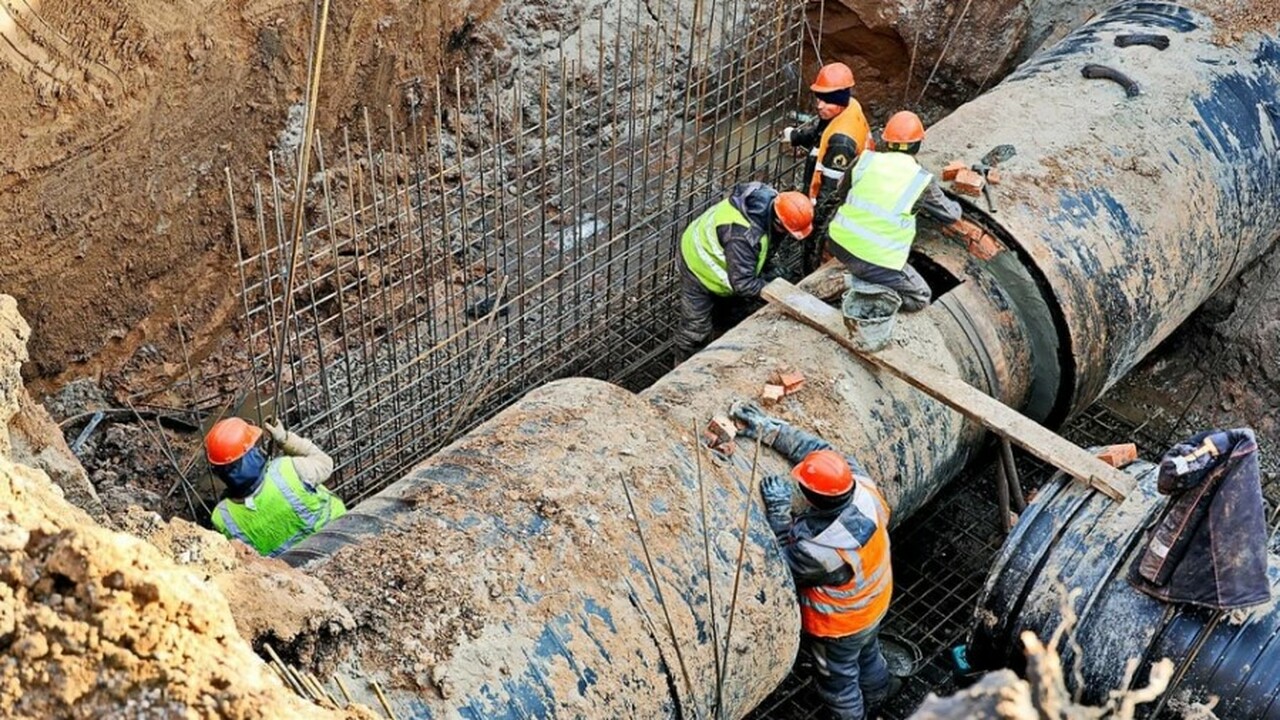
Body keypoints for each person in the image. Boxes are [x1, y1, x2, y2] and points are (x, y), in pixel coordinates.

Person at [731, 400, 899, 720]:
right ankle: (881, 692)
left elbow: (783, 567)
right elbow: (820, 450)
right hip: (875, 601)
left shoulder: (825, 550)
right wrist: (772, 431)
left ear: (810, 498)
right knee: (867, 655)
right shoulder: (863, 488)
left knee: (838, 680)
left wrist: (779, 514)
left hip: (841, 625)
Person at [826, 110, 963, 312]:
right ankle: (856, 286)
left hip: (837, 243)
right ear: (917, 145)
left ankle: (858, 275)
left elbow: (842, 192)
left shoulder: (864, 161)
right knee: (920, 296)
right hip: (871, 260)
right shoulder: (920, 180)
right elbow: (950, 214)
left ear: (887, 142)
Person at [675, 182, 814, 360]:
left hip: (725, 256)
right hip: (697, 266)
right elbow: (743, 284)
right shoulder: (743, 238)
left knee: (730, 315)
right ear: (778, 221)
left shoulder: (769, 199)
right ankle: (682, 369)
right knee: (695, 331)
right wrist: (776, 290)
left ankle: (720, 340)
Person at [204, 416, 346, 557]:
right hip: (342, 537)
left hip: (295, 572)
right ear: (249, 452)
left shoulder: (222, 517)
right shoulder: (287, 469)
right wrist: (284, 439)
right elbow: (325, 463)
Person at [781, 62, 874, 258]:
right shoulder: (847, 107)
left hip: (833, 200)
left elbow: (830, 193)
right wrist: (796, 137)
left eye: (827, 101)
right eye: (819, 98)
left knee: (814, 246)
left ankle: (809, 265)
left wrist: (813, 222)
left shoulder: (842, 142)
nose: (819, 105)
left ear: (839, 99)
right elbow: (820, 133)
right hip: (842, 183)